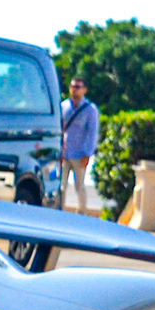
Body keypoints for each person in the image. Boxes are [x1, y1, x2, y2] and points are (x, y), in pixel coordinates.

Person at [58, 76, 99, 212]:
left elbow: (92, 133)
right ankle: (59, 211)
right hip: (63, 153)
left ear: (84, 90)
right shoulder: (63, 106)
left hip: (80, 154)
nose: (74, 90)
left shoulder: (90, 110)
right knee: (61, 186)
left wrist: (88, 154)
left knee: (79, 186)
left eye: (78, 87)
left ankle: (81, 213)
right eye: (72, 86)